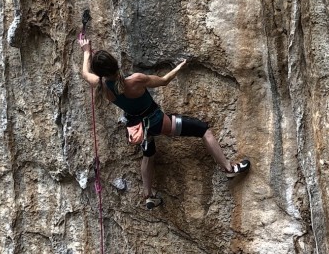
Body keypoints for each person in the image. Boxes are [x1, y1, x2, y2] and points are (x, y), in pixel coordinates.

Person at [77, 35, 250, 209]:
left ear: (100, 73)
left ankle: (148, 196)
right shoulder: (135, 80)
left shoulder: (101, 85)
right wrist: (179, 67)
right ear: (115, 63)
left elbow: (85, 74)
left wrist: (86, 53)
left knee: (148, 155)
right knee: (202, 129)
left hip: (137, 128)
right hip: (157, 122)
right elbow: (165, 81)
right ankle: (228, 169)